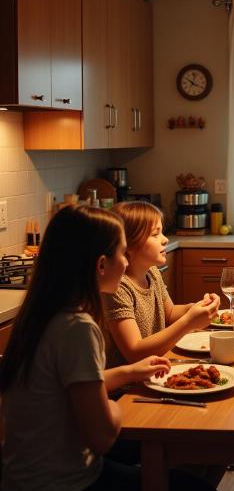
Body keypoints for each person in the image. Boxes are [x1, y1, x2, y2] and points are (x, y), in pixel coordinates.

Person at [0, 205, 172, 490]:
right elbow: (103, 436)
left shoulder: (42, 314)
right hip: (65, 482)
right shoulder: (77, 328)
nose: (126, 263)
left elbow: (66, 387)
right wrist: (117, 408)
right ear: (101, 265)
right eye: (121, 252)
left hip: (23, 477)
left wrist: (129, 372)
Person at [103, 201, 220, 368]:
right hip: (126, 389)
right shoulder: (118, 288)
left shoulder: (152, 272)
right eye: (155, 234)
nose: (165, 239)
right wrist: (188, 322)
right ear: (128, 244)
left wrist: (198, 307)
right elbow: (134, 353)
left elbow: (170, 313)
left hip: (155, 371)